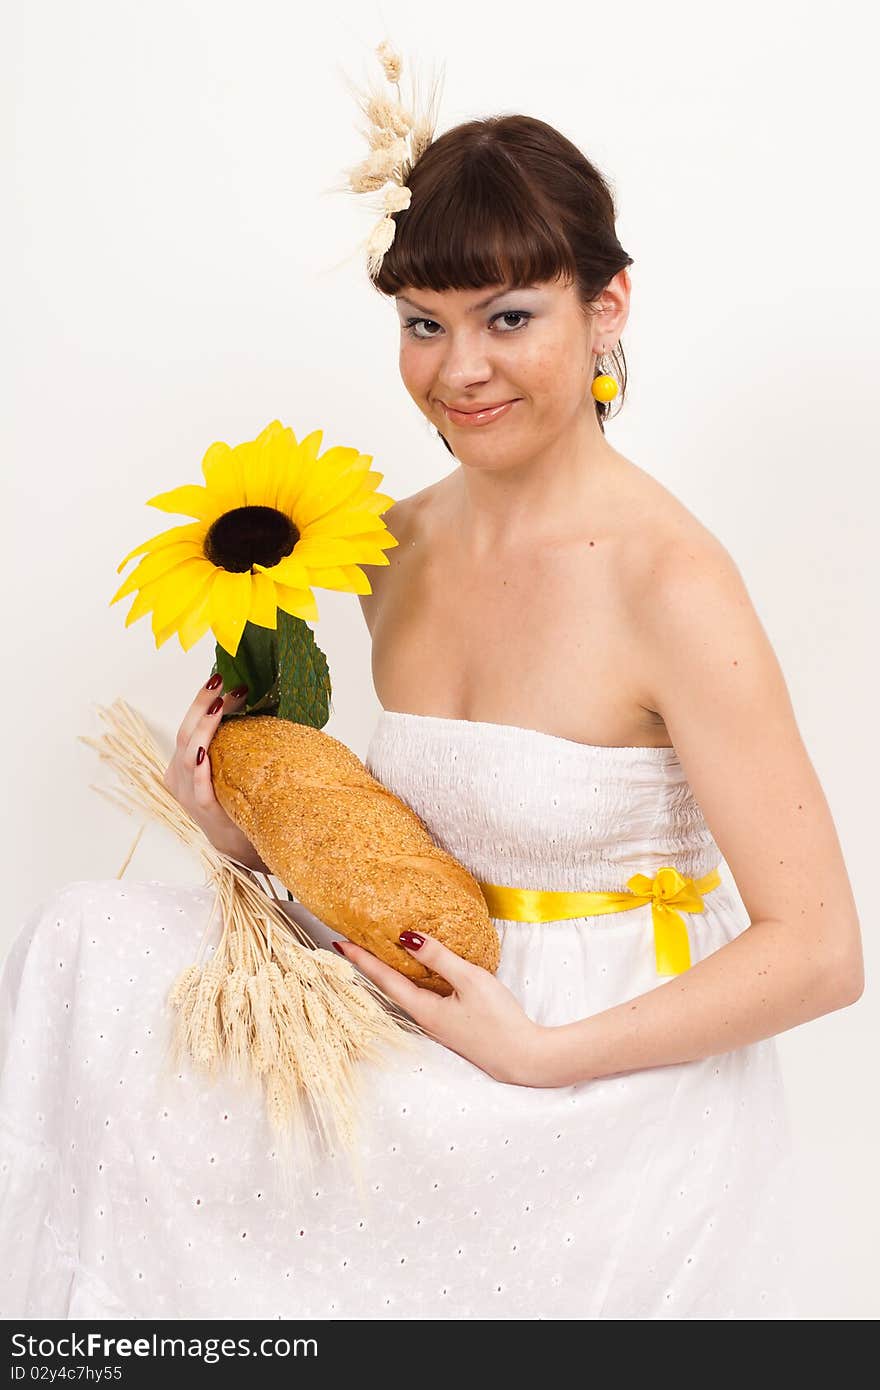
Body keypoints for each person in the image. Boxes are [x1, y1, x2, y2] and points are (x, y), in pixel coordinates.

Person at [0, 112, 863, 1322]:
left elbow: (820, 950)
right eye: (423, 324)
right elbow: (414, 863)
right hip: (420, 1026)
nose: (458, 370)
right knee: (90, 942)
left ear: (607, 306)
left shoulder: (670, 583)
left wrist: (536, 1054)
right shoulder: (388, 547)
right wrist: (245, 832)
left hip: (600, 1080)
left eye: (508, 317)